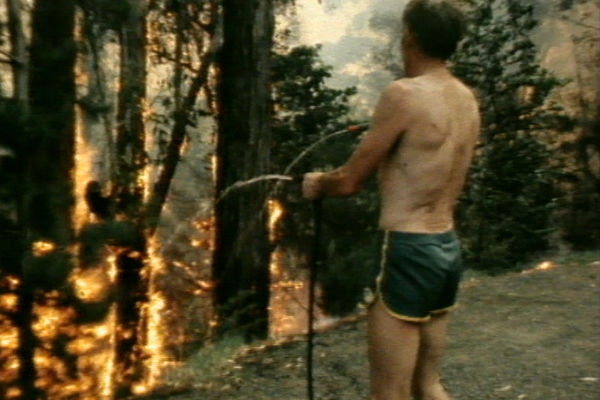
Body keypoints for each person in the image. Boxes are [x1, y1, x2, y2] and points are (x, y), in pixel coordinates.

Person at [302, 1, 480, 399]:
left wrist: (317, 183)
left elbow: (348, 182)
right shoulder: (466, 99)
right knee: (428, 385)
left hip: (407, 247)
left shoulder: (404, 94)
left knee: (389, 392)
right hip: (445, 247)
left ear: (411, 37)